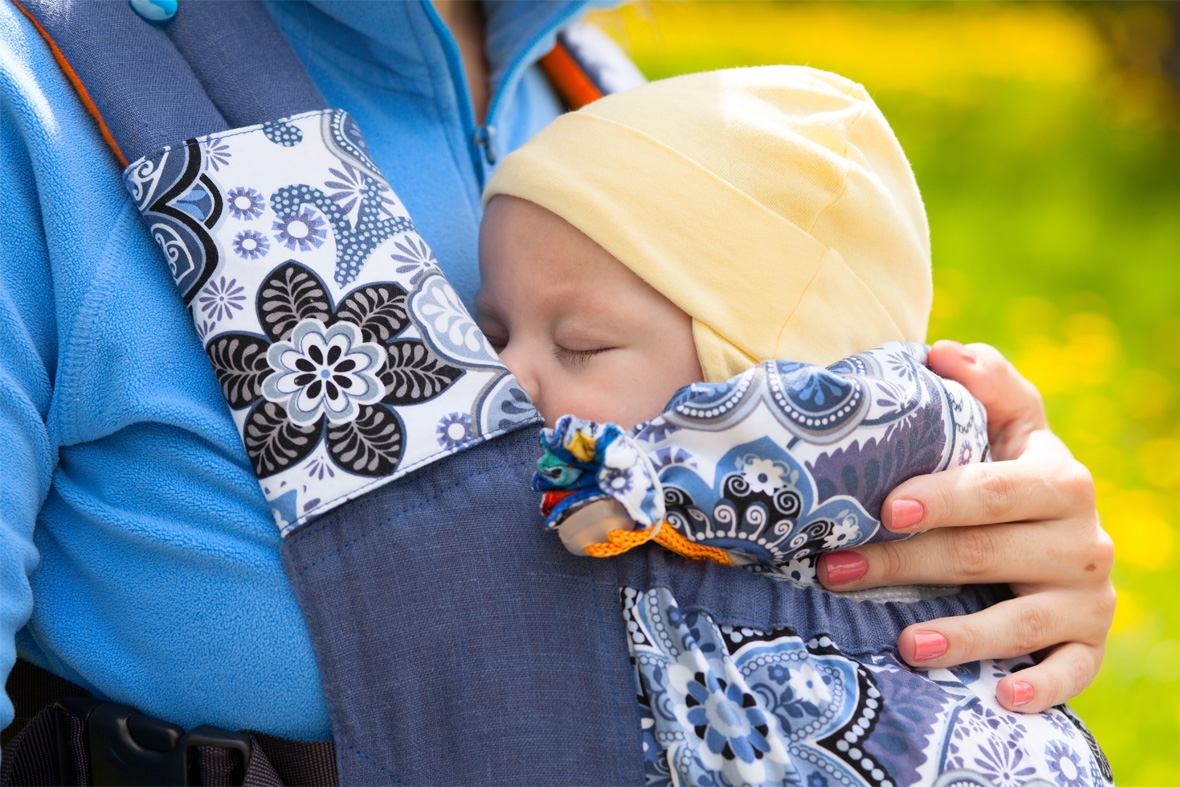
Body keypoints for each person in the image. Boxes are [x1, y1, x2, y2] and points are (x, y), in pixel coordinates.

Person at [0, 0, 1113, 782]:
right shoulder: (49, 98)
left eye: (575, 340)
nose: (522, 381)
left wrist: (986, 561)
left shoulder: (596, 90)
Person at [475, 65, 1111, 785]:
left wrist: (635, 478)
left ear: (754, 356)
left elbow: (791, 447)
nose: (506, 374)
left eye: (579, 344)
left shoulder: (873, 411)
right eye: (492, 330)